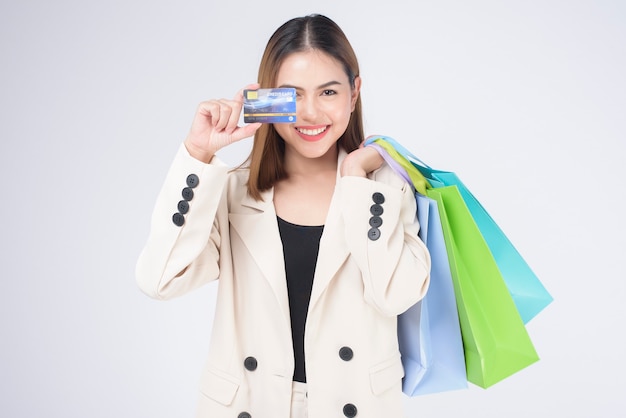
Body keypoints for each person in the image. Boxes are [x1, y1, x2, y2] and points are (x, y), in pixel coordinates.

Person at [136, 14, 430, 418]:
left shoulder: (384, 189)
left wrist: (356, 181)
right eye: (292, 95)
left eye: (328, 91)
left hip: (354, 404)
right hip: (249, 405)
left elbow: (394, 294)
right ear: (267, 100)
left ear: (354, 92)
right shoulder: (233, 190)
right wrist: (198, 154)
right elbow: (159, 280)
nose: (311, 113)